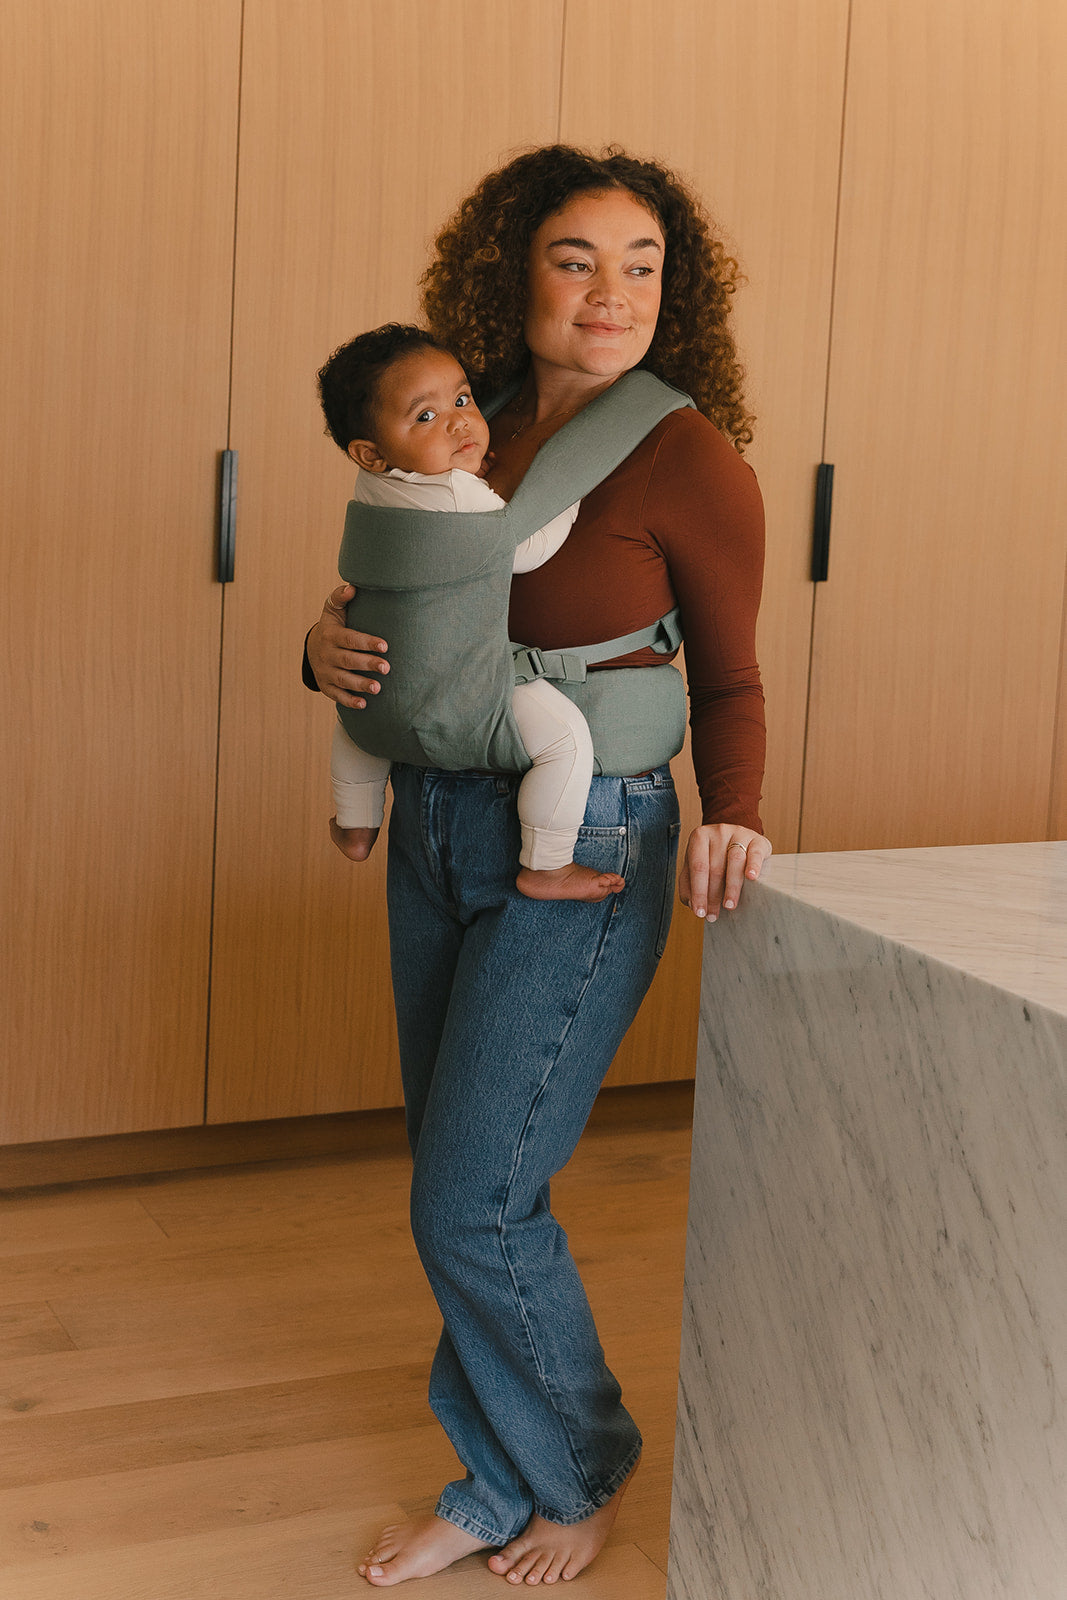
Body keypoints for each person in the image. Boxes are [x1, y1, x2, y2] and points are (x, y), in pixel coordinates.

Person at [303, 145, 772, 1589]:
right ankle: (495, 1475)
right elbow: (395, 613)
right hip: (441, 819)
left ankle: (572, 1470)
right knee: (457, 1165)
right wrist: (310, 653)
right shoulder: (457, 419)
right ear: (513, 270)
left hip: (592, 831)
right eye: (577, 258)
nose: (611, 291)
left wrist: (733, 810)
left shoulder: (686, 457)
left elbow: (732, 679)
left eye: (641, 264)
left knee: (472, 1193)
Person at [317, 322, 624, 903]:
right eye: (426, 416)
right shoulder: (460, 493)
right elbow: (525, 549)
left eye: (461, 399)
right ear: (372, 452)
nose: (460, 421)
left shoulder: (371, 489)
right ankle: (548, 863)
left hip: (379, 689)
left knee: (358, 720)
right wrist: (570, 492)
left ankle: (356, 823)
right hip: (458, 689)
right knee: (566, 742)